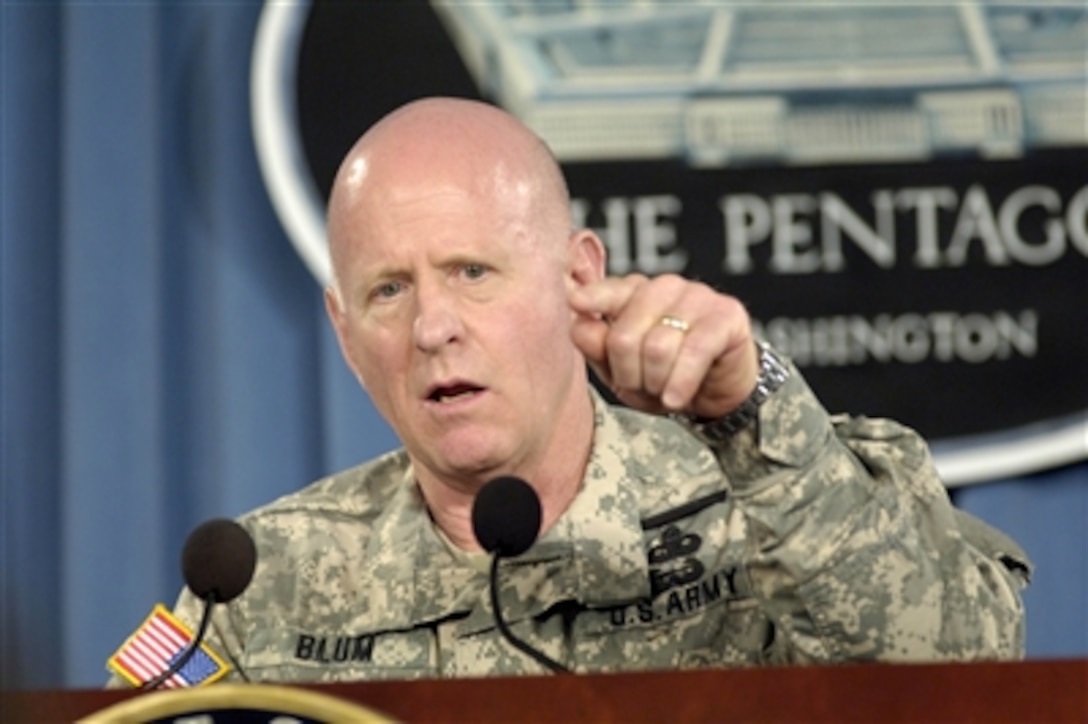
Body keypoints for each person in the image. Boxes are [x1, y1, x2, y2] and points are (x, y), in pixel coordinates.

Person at [111, 96, 1030, 685]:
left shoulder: (780, 501)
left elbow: (960, 683)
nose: (434, 326)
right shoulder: (253, 589)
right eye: (388, 291)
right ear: (346, 336)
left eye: (473, 271)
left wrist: (756, 409)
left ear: (575, 276)